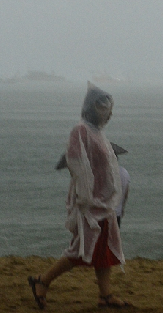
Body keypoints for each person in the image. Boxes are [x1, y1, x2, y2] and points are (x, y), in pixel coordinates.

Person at [28, 83, 131, 309]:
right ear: (94, 107)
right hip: (90, 203)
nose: (110, 114)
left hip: (103, 203)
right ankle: (42, 281)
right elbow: (76, 163)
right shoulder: (81, 131)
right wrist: (87, 198)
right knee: (81, 249)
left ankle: (105, 295)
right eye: (106, 109)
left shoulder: (97, 133)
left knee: (103, 250)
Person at [111, 143, 130, 228]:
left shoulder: (102, 173)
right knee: (114, 239)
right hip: (117, 212)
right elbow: (125, 193)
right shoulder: (124, 172)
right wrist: (122, 208)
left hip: (103, 213)